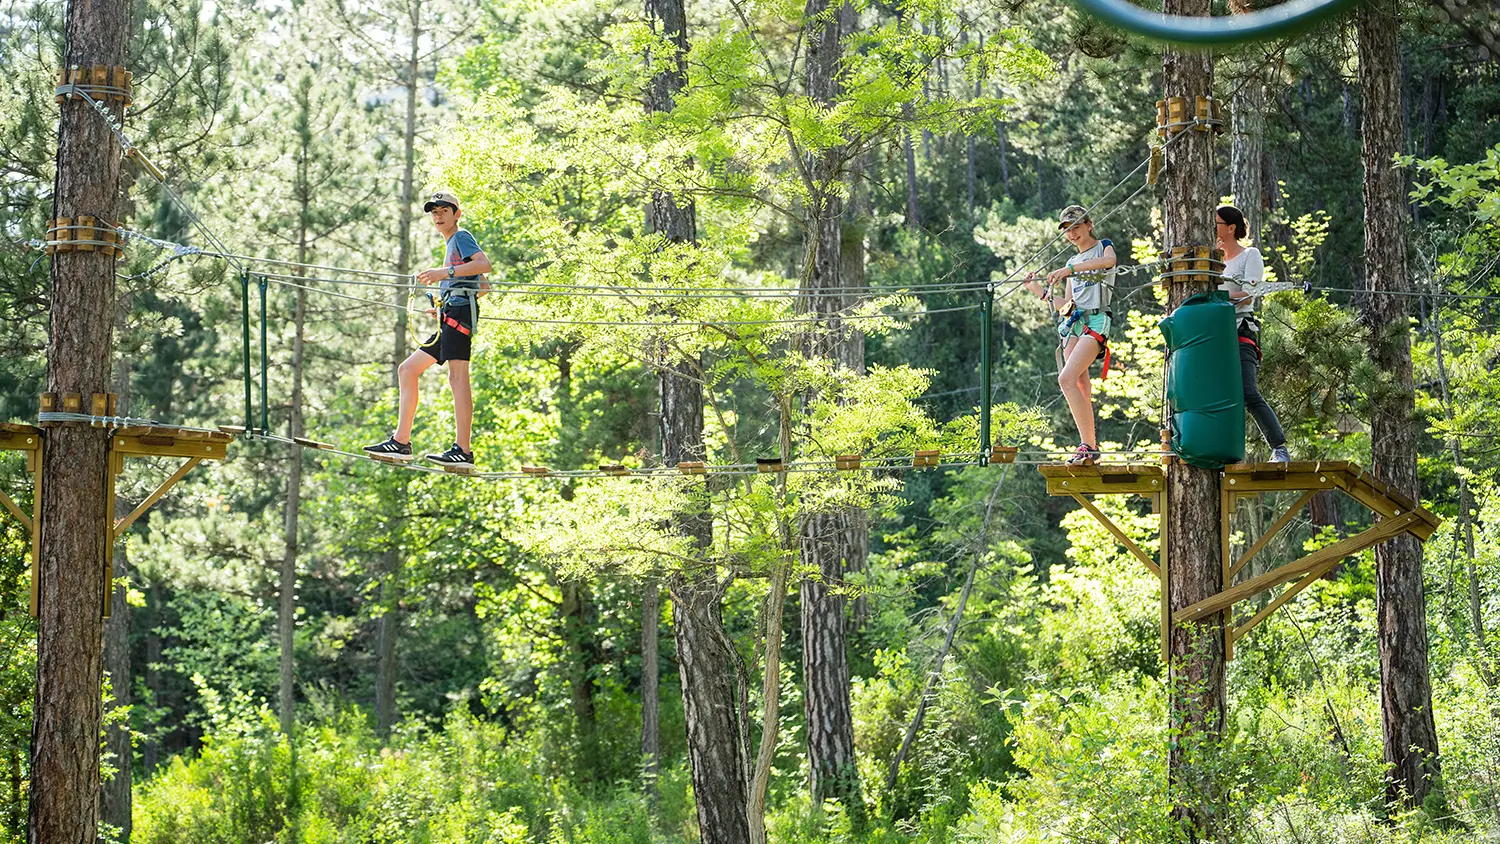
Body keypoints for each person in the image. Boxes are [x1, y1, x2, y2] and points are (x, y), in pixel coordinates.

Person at [364, 191, 492, 468]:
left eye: (444, 211)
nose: (438, 216)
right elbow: (482, 287)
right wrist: (445, 304)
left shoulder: (461, 237)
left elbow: (485, 267)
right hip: (451, 315)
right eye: (434, 212)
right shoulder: (452, 245)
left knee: (458, 379)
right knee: (407, 369)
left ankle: (463, 450)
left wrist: (443, 274)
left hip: (459, 319)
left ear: (457, 214)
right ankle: (400, 442)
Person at [1024, 204, 1117, 466]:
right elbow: (1068, 305)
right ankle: (1090, 445)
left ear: (1089, 224)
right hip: (1075, 325)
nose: (1073, 234)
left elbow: (1109, 262)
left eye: (1076, 227)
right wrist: (1038, 290)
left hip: (1097, 320)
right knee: (1079, 384)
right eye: (1067, 230)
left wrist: (1070, 271)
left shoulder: (1103, 246)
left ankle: (1088, 446)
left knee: (1065, 379)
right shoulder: (1071, 262)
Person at [1216, 204, 1290, 464]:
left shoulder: (1250, 255)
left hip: (1240, 329)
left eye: (1216, 223)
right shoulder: (1211, 261)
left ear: (1231, 228)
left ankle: (1279, 447)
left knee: (1247, 392)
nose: (1212, 229)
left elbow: (1248, 295)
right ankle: (1223, 453)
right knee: (1216, 395)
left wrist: (1218, 297)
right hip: (1212, 334)